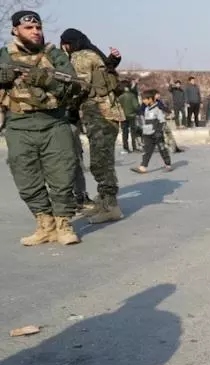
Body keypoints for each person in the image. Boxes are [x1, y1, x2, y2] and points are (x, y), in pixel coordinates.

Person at [0, 11, 84, 245]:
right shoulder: (4, 55)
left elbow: (74, 87)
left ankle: (63, 225)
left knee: (62, 175)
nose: (35, 31)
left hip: (54, 122)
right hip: (18, 124)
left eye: (38, 27)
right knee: (26, 177)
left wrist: (45, 80)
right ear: (15, 30)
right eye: (28, 28)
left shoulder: (54, 55)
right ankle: (45, 225)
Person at [60, 28, 125, 224]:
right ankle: (104, 201)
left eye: (63, 44)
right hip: (106, 114)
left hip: (99, 114)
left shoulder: (80, 56)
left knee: (100, 162)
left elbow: (80, 85)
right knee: (102, 159)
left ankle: (110, 206)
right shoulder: (94, 54)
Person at [131, 89, 172, 173]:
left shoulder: (157, 109)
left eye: (145, 99)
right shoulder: (146, 109)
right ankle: (143, 167)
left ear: (150, 99)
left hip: (157, 134)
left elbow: (162, 122)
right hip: (147, 134)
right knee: (147, 150)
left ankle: (168, 165)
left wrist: (159, 132)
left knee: (162, 149)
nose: (143, 101)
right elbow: (145, 121)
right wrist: (140, 130)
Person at [66, 107, 95, 213]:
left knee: (75, 169)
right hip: (65, 126)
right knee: (75, 169)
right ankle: (78, 198)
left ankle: (78, 197)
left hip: (66, 125)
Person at [117, 80, 141, 153]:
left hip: (123, 116)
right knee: (133, 132)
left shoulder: (120, 97)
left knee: (125, 132)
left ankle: (126, 148)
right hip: (132, 115)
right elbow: (136, 106)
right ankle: (135, 147)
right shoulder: (132, 95)